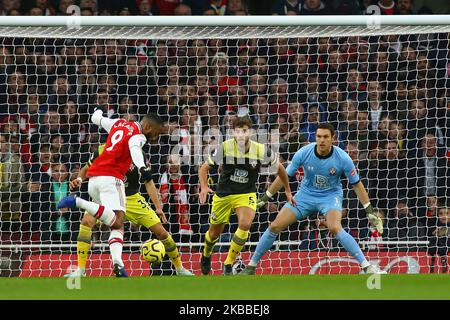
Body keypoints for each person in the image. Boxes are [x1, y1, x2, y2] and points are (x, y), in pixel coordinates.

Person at [241, 123, 386, 275]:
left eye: (325, 137)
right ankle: (251, 266)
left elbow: (357, 185)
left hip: (330, 196)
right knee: (274, 226)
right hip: (305, 196)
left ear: (333, 139)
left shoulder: (343, 158)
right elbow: (284, 176)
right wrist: (265, 197)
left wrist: (369, 210)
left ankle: (366, 267)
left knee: (335, 227)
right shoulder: (304, 153)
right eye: (318, 136)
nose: (321, 140)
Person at [57, 109, 163, 277]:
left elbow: (96, 118)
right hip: (112, 180)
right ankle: (78, 202)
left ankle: (107, 266)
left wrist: (98, 111)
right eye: (156, 133)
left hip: (94, 179)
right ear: (148, 127)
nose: (155, 137)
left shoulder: (118, 123)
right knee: (118, 221)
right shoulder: (139, 135)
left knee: (99, 223)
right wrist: (142, 167)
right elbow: (135, 148)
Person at [64, 143, 193, 278]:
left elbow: (148, 182)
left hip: (131, 198)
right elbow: (86, 168)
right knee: (86, 222)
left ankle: (179, 268)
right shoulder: (104, 149)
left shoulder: (139, 154)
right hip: (107, 194)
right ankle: (81, 270)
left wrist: (158, 207)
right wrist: (79, 179)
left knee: (161, 232)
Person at [198, 116, 294, 275]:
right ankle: (206, 254)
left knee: (245, 224)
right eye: (238, 131)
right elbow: (203, 168)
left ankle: (228, 262)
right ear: (232, 132)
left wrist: (287, 190)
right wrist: (203, 187)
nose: (241, 134)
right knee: (214, 232)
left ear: (251, 132)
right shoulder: (224, 147)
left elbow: (281, 170)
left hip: (245, 193)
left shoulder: (261, 150)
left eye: (245, 131)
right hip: (224, 194)